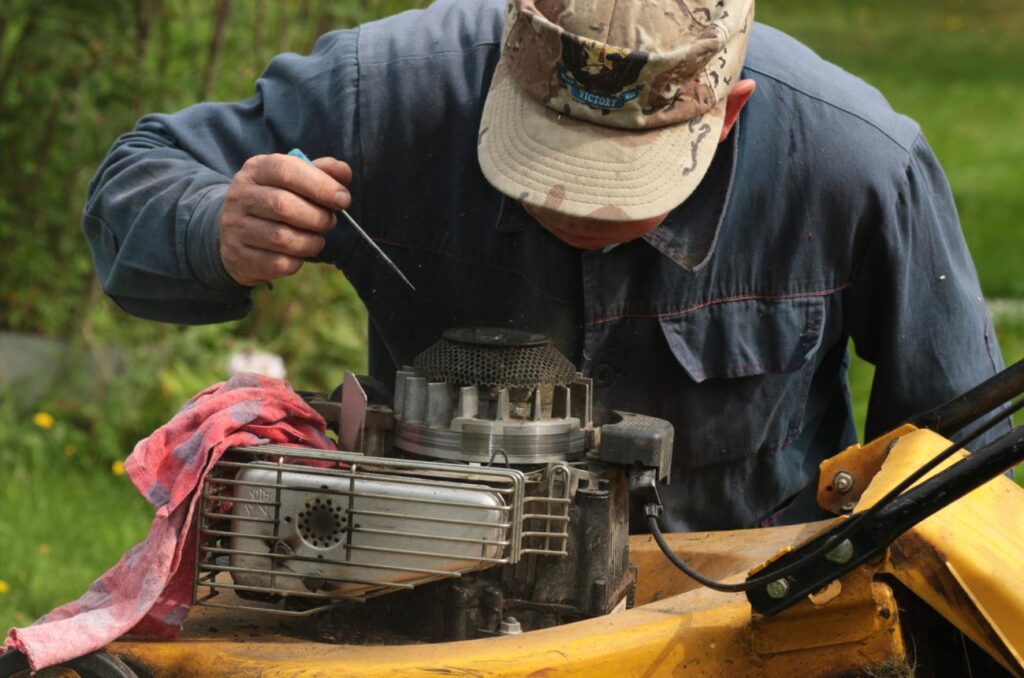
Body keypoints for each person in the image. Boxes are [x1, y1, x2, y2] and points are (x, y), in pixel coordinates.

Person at [83, 0, 1007, 531]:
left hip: (744, 624)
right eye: (548, 159)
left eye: (620, 181)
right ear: (502, 73)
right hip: (433, 607)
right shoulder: (391, 90)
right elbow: (132, 183)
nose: (575, 203)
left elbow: (957, 465)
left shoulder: (859, 165)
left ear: (725, 114)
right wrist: (215, 223)